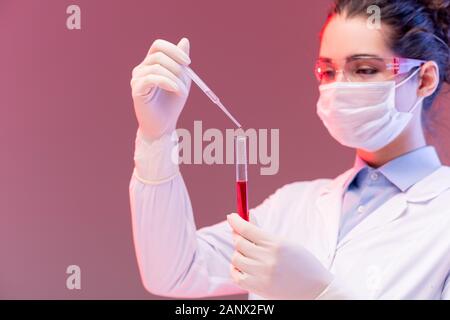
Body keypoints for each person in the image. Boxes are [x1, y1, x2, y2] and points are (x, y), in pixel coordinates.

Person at [128, 0, 450, 299]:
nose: (339, 87)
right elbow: (174, 272)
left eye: (364, 69)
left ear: (423, 79)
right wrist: (157, 136)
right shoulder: (293, 206)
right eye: (328, 71)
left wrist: (318, 292)